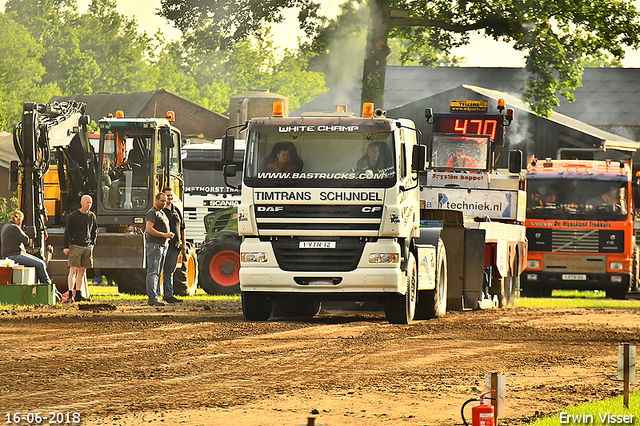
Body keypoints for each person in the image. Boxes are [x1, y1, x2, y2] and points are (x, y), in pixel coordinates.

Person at [1, 210, 52, 286]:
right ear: (19, 220)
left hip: (8, 256)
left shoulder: (5, 226)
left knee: (39, 263)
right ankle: (48, 285)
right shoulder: (14, 227)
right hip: (15, 255)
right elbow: (26, 240)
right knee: (41, 264)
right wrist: (20, 228)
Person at [63, 195, 97, 302]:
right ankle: (70, 294)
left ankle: (78, 294)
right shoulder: (73, 216)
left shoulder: (92, 216)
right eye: (87, 202)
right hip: (75, 246)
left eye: (90, 203)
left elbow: (94, 231)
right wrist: (66, 246)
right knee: (73, 270)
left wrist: (92, 243)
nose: (89, 205)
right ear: (81, 203)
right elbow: (67, 232)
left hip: (87, 246)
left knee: (82, 271)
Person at [145, 192, 174, 306]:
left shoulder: (161, 213)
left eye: (165, 201)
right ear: (156, 200)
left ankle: (156, 295)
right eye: (162, 201)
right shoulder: (152, 212)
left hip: (162, 246)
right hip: (155, 245)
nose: (164, 203)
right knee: (153, 271)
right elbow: (149, 229)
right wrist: (164, 235)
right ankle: (152, 297)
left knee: (158, 272)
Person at [161, 187, 185, 304]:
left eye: (171, 195)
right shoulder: (160, 211)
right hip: (163, 245)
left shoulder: (176, 210)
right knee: (159, 271)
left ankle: (168, 295)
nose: (170, 198)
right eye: (167, 195)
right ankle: (156, 294)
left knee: (170, 271)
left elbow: (182, 228)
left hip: (175, 246)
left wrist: (183, 244)